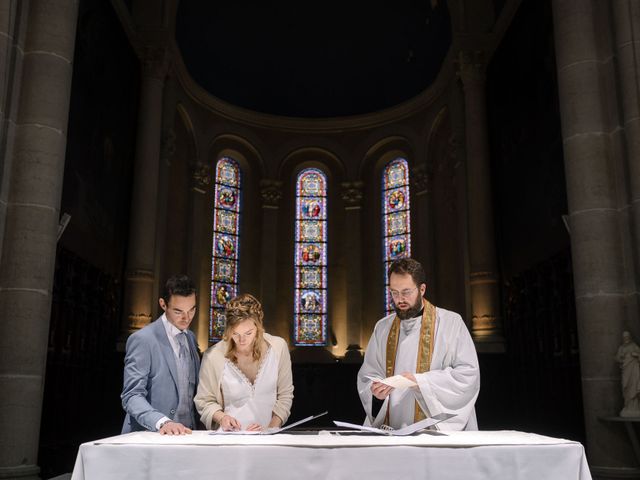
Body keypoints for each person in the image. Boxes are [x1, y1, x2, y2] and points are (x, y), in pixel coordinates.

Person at [357, 258, 480, 431]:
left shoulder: (451, 323)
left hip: (435, 431)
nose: (400, 299)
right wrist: (375, 389)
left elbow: (467, 375)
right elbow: (369, 373)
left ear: (422, 289)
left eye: (406, 292)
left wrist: (421, 382)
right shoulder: (382, 327)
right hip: (393, 427)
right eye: (394, 292)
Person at [194, 293, 294, 431]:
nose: (242, 340)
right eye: (235, 334)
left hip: (270, 439)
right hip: (231, 439)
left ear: (258, 328)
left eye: (248, 333)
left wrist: (270, 430)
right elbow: (204, 401)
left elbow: (285, 395)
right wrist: (222, 418)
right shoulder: (213, 356)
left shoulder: (278, 348)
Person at [121, 275, 201, 435]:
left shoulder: (190, 338)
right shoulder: (143, 339)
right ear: (163, 304)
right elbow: (131, 396)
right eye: (178, 311)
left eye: (192, 309)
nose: (187, 318)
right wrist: (162, 422)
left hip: (188, 434)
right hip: (151, 434)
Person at [616, 331, 640, 417]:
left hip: (634, 370)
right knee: (625, 387)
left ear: (630, 337)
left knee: (633, 386)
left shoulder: (634, 346)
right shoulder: (621, 348)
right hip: (626, 370)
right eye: (624, 337)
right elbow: (617, 358)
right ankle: (627, 406)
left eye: (627, 337)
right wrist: (621, 358)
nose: (626, 338)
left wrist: (636, 355)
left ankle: (635, 407)